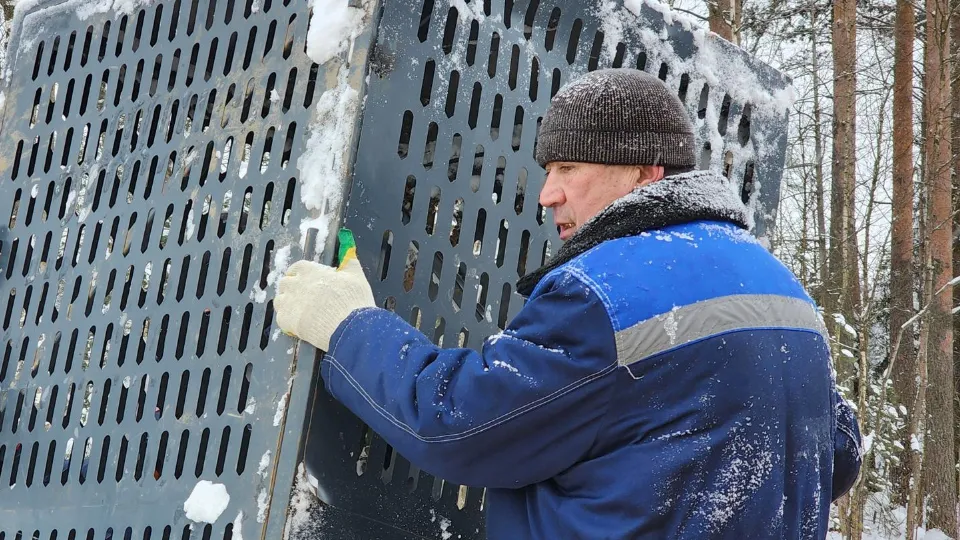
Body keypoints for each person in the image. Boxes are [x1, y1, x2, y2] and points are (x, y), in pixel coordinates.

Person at [274, 68, 862, 539]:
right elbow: (838, 454)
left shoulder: (606, 292)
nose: (546, 193)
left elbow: (457, 422)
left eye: (568, 168)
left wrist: (348, 324)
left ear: (645, 171)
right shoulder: (786, 291)